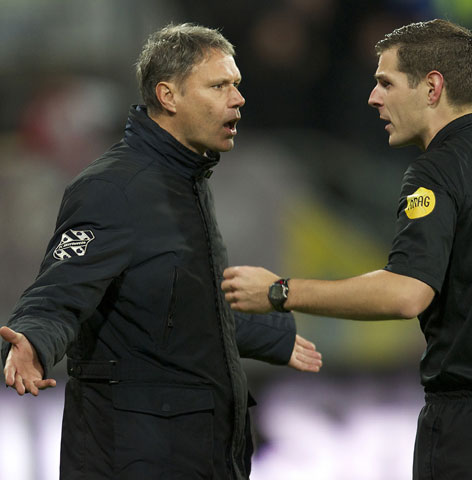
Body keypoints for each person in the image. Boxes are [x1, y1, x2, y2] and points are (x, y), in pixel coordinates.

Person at [221, 19, 472, 480]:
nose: (374, 97)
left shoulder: (435, 173)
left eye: (386, 82)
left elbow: (407, 293)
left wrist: (279, 291)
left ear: (432, 87)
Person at [1, 23, 322, 479]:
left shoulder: (188, 181)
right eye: (219, 86)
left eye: (236, 85)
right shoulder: (115, 187)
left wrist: (271, 337)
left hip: (191, 456)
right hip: (134, 460)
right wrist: (32, 339)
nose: (237, 98)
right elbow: (59, 289)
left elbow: (174, 308)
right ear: (168, 96)